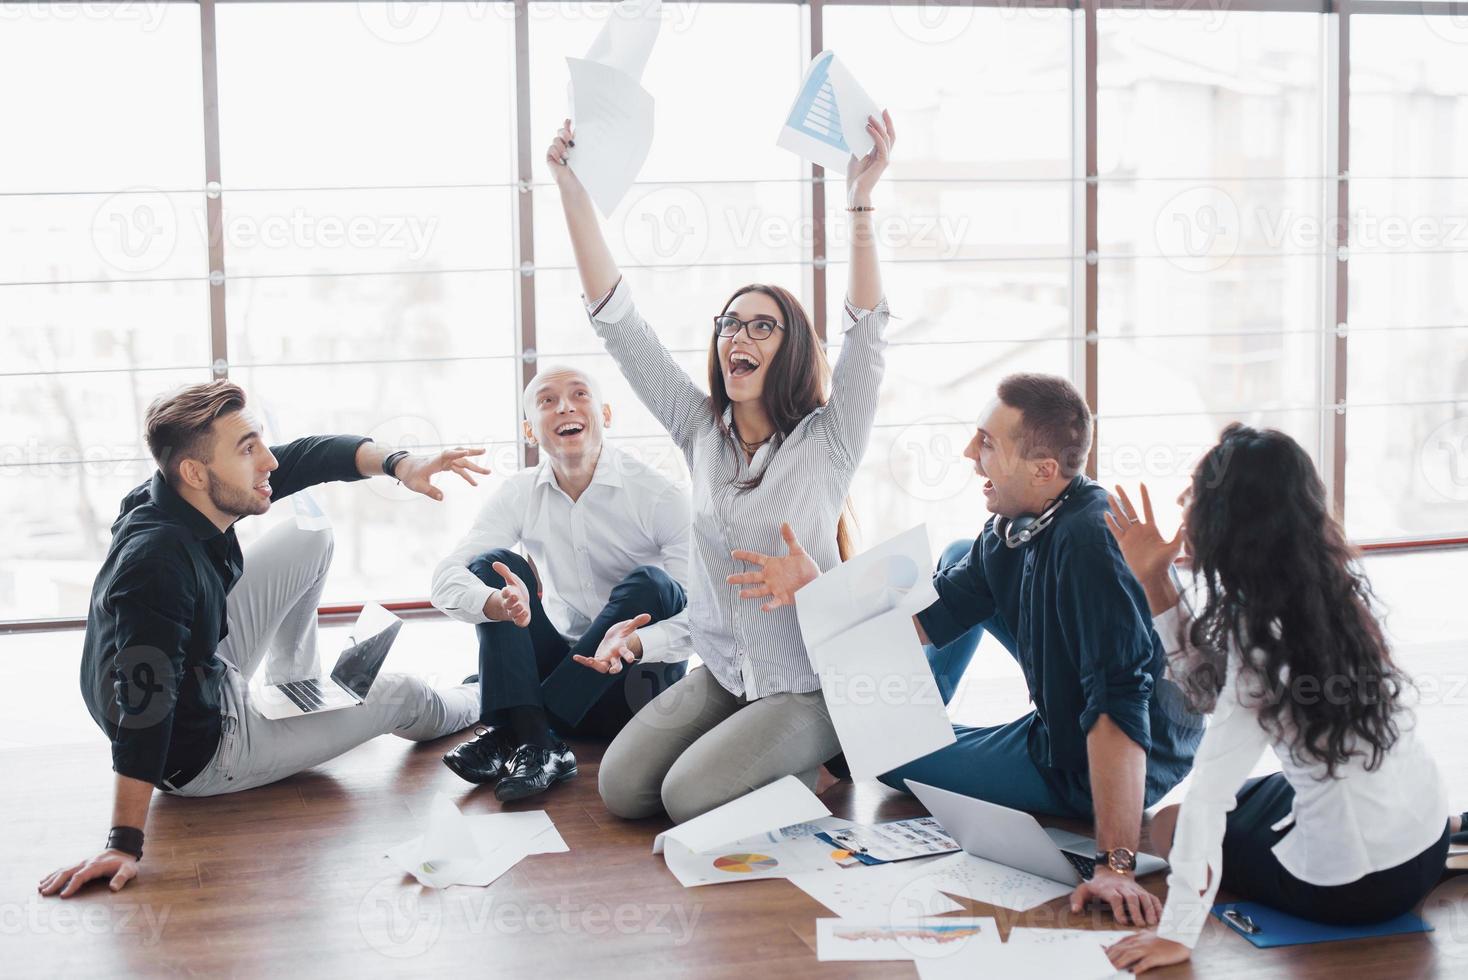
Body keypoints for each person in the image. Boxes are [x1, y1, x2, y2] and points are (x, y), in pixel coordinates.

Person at [732, 373, 1205, 926]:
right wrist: (817, 587)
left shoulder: (1087, 547)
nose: (966, 454)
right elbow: (924, 618)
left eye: (986, 443)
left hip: (1109, 755)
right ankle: (896, 723)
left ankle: (892, 735)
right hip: (1065, 710)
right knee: (960, 556)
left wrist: (1116, 865)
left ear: (1044, 471)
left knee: (885, 759)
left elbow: (1118, 704)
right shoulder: (1014, 525)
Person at [544, 110, 896, 822]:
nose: (739, 334)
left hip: (807, 685)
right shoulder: (698, 428)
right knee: (621, 789)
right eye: (730, 323)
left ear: (790, 347)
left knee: (685, 797)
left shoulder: (829, 440)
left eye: (761, 324)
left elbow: (868, 332)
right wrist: (571, 189)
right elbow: (618, 324)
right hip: (726, 676)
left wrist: (860, 202)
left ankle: (815, 762)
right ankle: (768, 766)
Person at [38, 381, 487, 899]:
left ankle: (294, 684)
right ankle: (489, 690)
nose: (270, 462)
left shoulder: (167, 492)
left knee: (311, 534)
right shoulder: (156, 566)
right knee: (404, 693)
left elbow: (309, 456)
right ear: (194, 471)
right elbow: (145, 707)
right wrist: (123, 843)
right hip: (204, 749)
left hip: (199, 667)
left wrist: (399, 464)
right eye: (248, 450)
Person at [1102, 425, 1453, 973]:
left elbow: (1207, 798)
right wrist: (1157, 578)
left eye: (1194, 493)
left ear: (1230, 522)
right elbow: (1219, 696)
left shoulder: (1263, 643)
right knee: (1281, 787)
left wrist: (1177, 935)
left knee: (1169, 824)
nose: (1180, 503)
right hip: (1426, 844)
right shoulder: (1333, 587)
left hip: (1355, 889)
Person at [430, 365, 692, 802]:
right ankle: (540, 743)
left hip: (633, 686)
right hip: (564, 669)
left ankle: (517, 731)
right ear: (530, 431)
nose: (565, 406)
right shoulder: (519, 493)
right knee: (493, 565)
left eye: (579, 395)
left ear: (605, 414)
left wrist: (639, 642)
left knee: (653, 584)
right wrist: (494, 603)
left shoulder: (658, 495)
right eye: (547, 401)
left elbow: (704, 613)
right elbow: (447, 576)